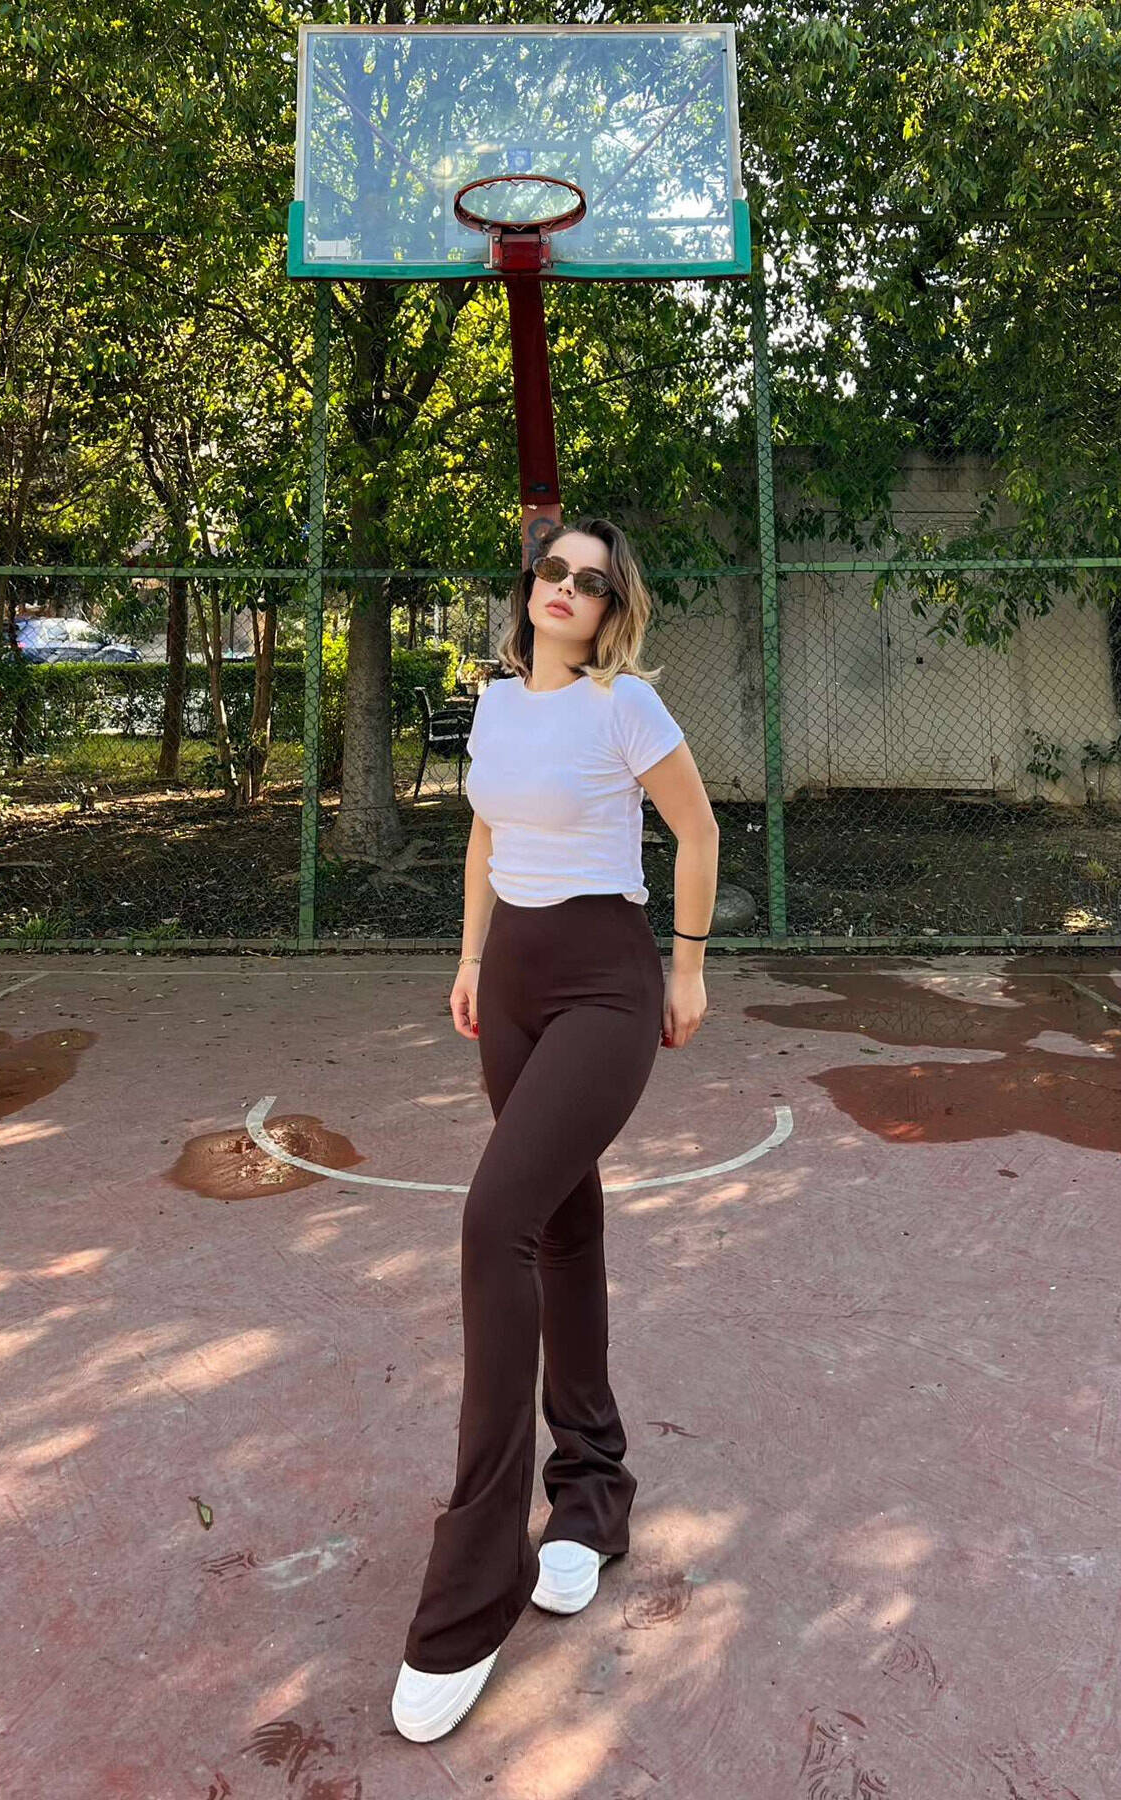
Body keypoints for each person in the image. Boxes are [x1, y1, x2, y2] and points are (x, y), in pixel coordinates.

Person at [391, 517, 719, 1743]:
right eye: (553, 571)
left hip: (605, 984)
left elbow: (698, 831)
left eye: (592, 580)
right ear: (527, 587)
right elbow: (486, 834)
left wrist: (688, 968)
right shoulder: (493, 705)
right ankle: (592, 1493)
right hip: (517, 980)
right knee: (560, 1226)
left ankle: (471, 1592)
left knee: (494, 1226)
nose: (567, 588)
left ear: (613, 605)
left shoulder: (624, 705)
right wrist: (471, 958)